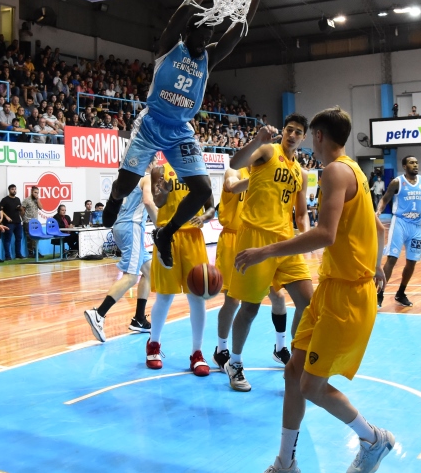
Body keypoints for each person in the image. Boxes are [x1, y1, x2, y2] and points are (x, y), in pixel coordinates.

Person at [235, 107, 392, 473]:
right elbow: (379, 229)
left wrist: (265, 250)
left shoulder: (334, 171)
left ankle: (373, 438)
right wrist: (378, 265)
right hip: (332, 288)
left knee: (310, 386)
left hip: (348, 296)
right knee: (293, 373)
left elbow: (326, 234)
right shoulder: (354, 170)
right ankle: (285, 462)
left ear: (318, 137)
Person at [102, 0, 268, 271]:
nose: (206, 41)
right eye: (202, 35)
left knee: (203, 190)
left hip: (180, 132)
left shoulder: (209, 57)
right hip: (152, 124)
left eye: (209, 37)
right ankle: (114, 198)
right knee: (125, 186)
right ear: (188, 33)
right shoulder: (169, 46)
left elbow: (240, 30)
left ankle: (165, 234)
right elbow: (182, 12)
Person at [220, 116, 314, 392]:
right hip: (255, 237)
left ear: (304, 138)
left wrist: (306, 237)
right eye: (289, 130)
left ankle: (295, 361)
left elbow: (301, 213)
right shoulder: (267, 151)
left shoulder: (301, 172)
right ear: (283, 132)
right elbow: (235, 164)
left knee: (308, 303)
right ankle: (234, 362)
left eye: (298, 132)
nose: (293, 135)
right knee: (248, 308)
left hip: (286, 243)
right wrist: (257, 141)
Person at [145, 162, 216, 376]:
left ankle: (197, 353)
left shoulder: (200, 171)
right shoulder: (159, 170)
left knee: (197, 297)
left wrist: (204, 217)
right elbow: (157, 202)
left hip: (193, 237)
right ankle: (154, 344)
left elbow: (212, 207)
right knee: (165, 296)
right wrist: (164, 191)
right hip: (167, 235)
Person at [85, 158, 159, 340]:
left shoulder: (126, 179)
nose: (157, 161)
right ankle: (99, 314)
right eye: (155, 158)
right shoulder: (146, 177)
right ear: (148, 161)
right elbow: (148, 202)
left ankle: (139, 319)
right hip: (131, 227)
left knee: (149, 272)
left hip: (121, 226)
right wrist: (161, 227)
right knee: (132, 276)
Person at [375, 155, 421, 308]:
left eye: (416, 162)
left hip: (416, 226)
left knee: (412, 262)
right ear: (404, 166)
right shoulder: (397, 182)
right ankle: (379, 294)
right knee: (392, 259)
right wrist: (378, 212)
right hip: (400, 223)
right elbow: (385, 199)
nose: (415, 165)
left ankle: (401, 293)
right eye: (411, 163)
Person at [0, 184, 24, 260]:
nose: (14, 190)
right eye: (12, 189)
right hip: (9, 223)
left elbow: (21, 210)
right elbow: (0, 210)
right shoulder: (5, 200)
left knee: (19, 238)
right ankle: (8, 256)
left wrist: (20, 209)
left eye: (15, 189)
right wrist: (6, 216)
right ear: (9, 190)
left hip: (18, 222)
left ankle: (18, 254)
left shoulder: (17, 199)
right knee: (8, 239)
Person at [22, 186, 41, 257]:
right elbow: (22, 210)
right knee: (29, 238)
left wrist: (38, 200)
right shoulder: (26, 200)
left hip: (35, 222)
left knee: (35, 237)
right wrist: (23, 219)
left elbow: (41, 207)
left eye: (37, 193)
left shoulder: (37, 200)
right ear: (31, 192)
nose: (36, 194)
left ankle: (36, 252)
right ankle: (30, 253)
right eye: (35, 192)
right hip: (27, 221)